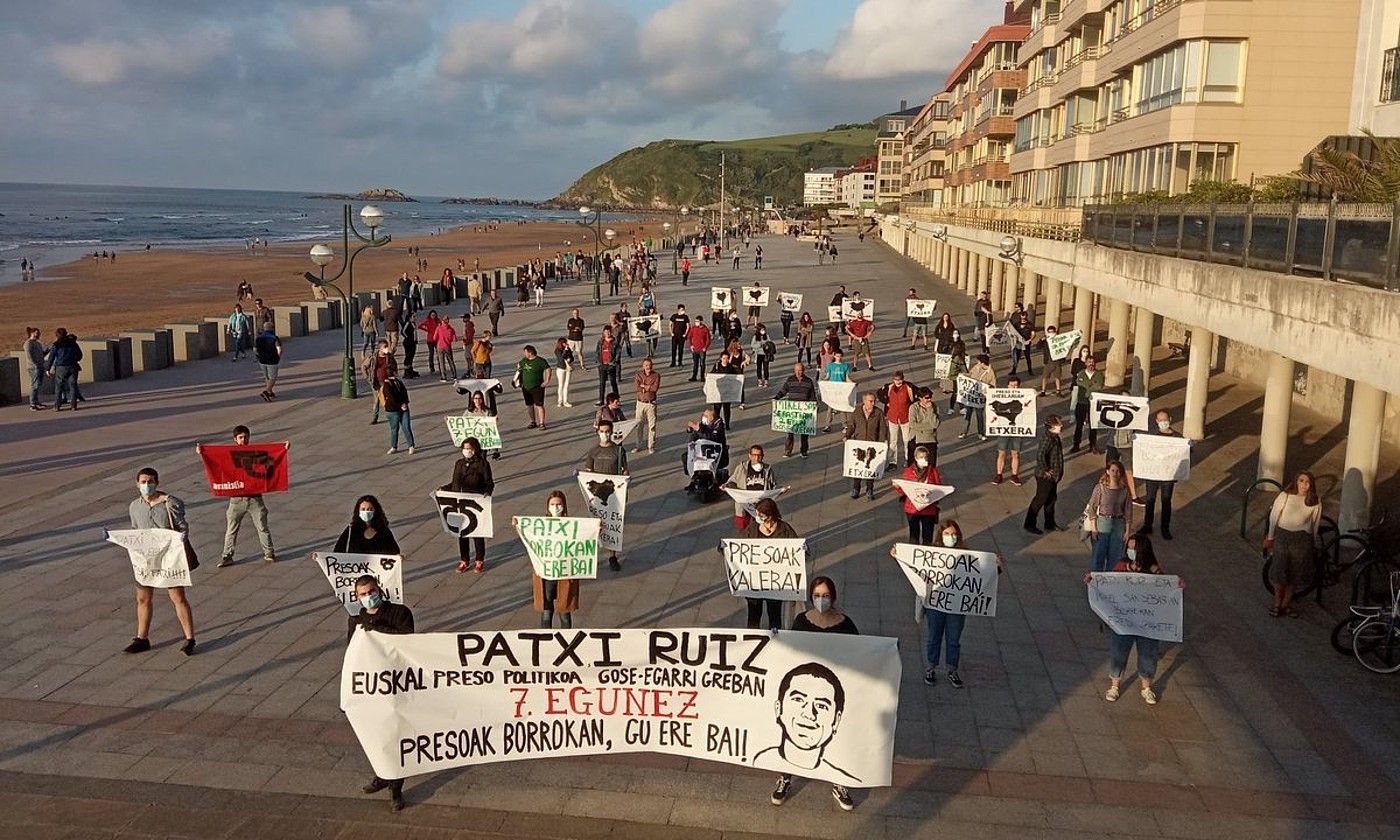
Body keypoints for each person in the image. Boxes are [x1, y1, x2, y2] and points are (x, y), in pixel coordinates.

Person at [766, 575, 859, 811]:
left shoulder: (846, 624)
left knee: (837, 740)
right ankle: (785, 778)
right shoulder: (801, 621)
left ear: (833, 597)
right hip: (805, 690)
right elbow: (792, 651)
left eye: (825, 596)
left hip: (832, 694)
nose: (821, 600)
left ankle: (840, 783)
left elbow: (863, 653)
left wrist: (887, 653)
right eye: (817, 596)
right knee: (790, 735)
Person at [902, 520, 1003, 689]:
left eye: (954, 534)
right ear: (941, 535)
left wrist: (996, 568)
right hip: (935, 606)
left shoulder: (967, 555)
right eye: (947, 534)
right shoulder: (933, 553)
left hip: (956, 607)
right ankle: (931, 667)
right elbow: (916, 570)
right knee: (934, 637)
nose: (951, 537)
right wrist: (900, 555)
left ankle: (952, 669)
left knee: (953, 639)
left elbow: (980, 576)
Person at [348, 573, 414, 811]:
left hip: (397, 685)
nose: (368, 598)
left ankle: (396, 789)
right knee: (376, 737)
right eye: (363, 595)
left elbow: (408, 643)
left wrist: (376, 631)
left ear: (380, 591)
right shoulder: (355, 620)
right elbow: (353, 653)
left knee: (395, 737)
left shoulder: (400, 613)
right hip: (371, 688)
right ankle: (381, 774)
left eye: (371, 592)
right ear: (357, 597)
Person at [1090, 534, 1173, 705]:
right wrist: (1093, 582)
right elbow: (1108, 584)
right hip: (1124, 623)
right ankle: (1114, 685)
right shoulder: (1121, 566)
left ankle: (1146, 687)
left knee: (1148, 655)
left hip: (1147, 624)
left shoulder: (1154, 570)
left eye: (1134, 548)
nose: (1130, 551)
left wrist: (1177, 587)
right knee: (1119, 652)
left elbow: (1166, 591)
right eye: (1129, 547)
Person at [123, 467, 197, 656]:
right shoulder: (134, 506)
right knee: (143, 598)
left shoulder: (169, 503)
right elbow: (135, 531)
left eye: (150, 481)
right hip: (146, 560)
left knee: (177, 597)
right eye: (143, 482)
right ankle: (142, 638)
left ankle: (190, 638)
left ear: (157, 483)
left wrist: (181, 536)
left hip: (169, 559)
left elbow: (182, 525)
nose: (146, 485)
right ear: (137, 483)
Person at [202, 426, 277, 567]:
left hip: (255, 498)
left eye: (246, 437)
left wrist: (284, 448)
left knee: (262, 527)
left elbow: (272, 457)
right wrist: (203, 452)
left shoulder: (255, 453)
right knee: (231, 529)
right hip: (236, 500)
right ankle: (227, 556)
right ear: (235, 439)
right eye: (241, 437)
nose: (244, 440)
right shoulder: (230, 454)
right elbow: (216, 460)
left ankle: (269, 552)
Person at [1265, 470, 1322, 617]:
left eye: (1307, 482)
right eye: (1301, 481)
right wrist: (1270, 537)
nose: (1304, 485)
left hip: (1302, 540)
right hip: (1283, 536)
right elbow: (1274, 516)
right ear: (1296, 481)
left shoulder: (1315, 501)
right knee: (1280, 570)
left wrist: (1313, 543)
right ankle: (1277, 603)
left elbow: (1315, 524)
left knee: (1295, 573)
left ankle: (1286, 604)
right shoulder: (1285, 496)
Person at [735, 498, 798, 631]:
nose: (757, 517)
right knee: (753, 615)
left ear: (771, 515)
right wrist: (726, 548)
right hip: (754, 584)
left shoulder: (785, 530)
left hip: (775, 584)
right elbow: (739, 548)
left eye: (761, 515)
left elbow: (796, 551)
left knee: (774, 615)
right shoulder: (752, 528)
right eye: (757, 514)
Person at [525, 491, 580, 627]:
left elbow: (584, 539)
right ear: (547, 506)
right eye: (552, 504)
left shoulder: (571, 525)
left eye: (559, 504)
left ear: (564, 506)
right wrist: (518, 525)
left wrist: (597, 529)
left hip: (564, 573)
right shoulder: (541, 525)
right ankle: (546, 641)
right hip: (547, 574)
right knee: (547, 611)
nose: (556, 508)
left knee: (564, 612)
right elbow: (528, 535)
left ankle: (566, 641)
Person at [581, 419, 628, 571]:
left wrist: (625, 479)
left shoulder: (619, 451)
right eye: (602, 431)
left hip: (612, 494)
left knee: (612, 527)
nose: (605, 434)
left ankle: (612, 556)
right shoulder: (593, 451)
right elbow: (589, 472)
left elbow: (624, 470)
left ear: (612, 432)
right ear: (597, 432)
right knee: (596, 526)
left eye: (607, 431)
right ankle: (592, 555)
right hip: (596, 495)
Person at [446, 436, 494, 573]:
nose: (467, 451)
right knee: (462, 533)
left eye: (469, 449)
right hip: (460, 504)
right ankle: (464, 559)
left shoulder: (482, 464)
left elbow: (489, 482)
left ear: (475, 449)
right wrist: (443, 489)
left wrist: (487, 492)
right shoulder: (459, 464)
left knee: (477, 532)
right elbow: (454, 482)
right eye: (465, 448)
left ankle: (479, 560)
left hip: (475, 502)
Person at [1139, 410, 1182, 539]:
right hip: (1153, 473)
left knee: (1166, 500)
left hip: (1168, 475)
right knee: (1150, 500)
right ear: (1157, 421)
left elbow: (1186, 452)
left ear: (1170, 419)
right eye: (1160, 420)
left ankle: (1165, 528)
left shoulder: (1178, 438)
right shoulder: (1152, 435)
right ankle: (1147, 525)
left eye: (1165, 420)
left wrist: (1189, 446)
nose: (1163, 423)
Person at [1084, 461, 1133, 572]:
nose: (1115, 473)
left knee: (1115, 555)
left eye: (1117, 471)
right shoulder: (1100, 488)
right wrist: (1094, 528)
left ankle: (1110, 580)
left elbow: (1128, 511)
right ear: (1107, 471)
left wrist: (1128, 530)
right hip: (1103, 522)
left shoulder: (1125, 490)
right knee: (1098, 554)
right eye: (1112, 470)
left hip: (1118, 523)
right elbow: (1092, 507)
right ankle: (1096, 580)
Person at [725, 445, 788, 530]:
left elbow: (773, 486)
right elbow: (731, 482)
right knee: (743, 530)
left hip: (761, 506)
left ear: (763, 456)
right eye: (754, 455)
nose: (757, 458)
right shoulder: (741, 468)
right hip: (744, 505)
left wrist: (781, 490)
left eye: (759, 455)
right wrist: (726, 487)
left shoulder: (767, 470)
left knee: (761, 530)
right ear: (749, 456)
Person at [894, 445, 943, 545]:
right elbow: (904, 491)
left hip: (928, 509)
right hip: (913, 509)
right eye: (921, 457)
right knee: (913, 536)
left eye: (925, 457)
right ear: (916, 458)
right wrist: (898, 487)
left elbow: (938, 487)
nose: (923, 459)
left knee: (928, 537)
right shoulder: (909, 472)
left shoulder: (933, 471)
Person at [1024, 415, 1065, 534]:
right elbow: (1040, 454)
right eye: (1058, 425)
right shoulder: (1048, 439)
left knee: (1051, 499)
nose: (1061, 426)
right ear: (1051, 427)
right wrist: (1046, 469)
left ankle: (1050, 523)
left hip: (1053, 476)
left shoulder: (1055, 437)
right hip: (1045, 476)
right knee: (1040, 498)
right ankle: (1029, 523)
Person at [844, 392, 888, 500]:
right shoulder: (857, 412)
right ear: (864, 401)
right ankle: (856, 489)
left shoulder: (878, 412)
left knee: (871, 468)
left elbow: (882, 428)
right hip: (859, 443)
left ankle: (869, 489)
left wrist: (883, 441)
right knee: (858, 466)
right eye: (870, 401)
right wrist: (847, 435)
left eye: (874, 401)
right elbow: (851, 425)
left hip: (872, 444)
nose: (873, 403)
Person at [774, 362, 817, 458]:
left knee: (804, 433)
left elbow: (812, 395)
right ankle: (788, 450)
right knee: (790, 432)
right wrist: (776, 398)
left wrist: (814, 405)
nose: (799, 372)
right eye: (797, 370)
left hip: (804, 410)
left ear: (804, 370)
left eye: (800, 370)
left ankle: (804, 451)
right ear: (794, 370)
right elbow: (783, 391)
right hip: (792, 410)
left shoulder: (808, 381)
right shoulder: (790, 380)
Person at [992, 374, 1028, 485]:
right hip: (1004, 429)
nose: (1014, 388)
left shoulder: (1023, 396)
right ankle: (999, 474)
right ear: (1007, 386)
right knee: (1001, 453)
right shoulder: (1002, 396)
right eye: (1012, 386)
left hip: (1017, 429)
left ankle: (1014, 475)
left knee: (1015, 453)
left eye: (1016, 386)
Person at [334, 495, 401, 554]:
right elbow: (338, 550)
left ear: (375, 511)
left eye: (370, 509)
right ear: (358, 511)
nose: (366, 512)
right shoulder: (351, 530)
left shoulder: (383, 531)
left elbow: (394, 551)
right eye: (363, 509)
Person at [878, 371, 916, 468]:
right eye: (896, 380)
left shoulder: (909, 387)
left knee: (907, 440)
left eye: (900, 379)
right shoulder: (889, 387)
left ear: (903, 379)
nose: (898, 382)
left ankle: (908, 459)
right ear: (893, 379)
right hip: (893, 417)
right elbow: (879, 393)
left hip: (905, 418)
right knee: (893, 441)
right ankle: (892, 462)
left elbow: (917, 395)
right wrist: (886, 402)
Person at [1070, 355, 1104, 453]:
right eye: (1089, 362)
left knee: (1093, 425)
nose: (1091, 364)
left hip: (1093, 403)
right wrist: (1091, 386)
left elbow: (1099, 386)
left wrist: (1088, 390)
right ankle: (1076, 444)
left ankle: (1092, 444)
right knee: (1079, 424)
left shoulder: (1098, 374)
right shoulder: (1081, 374)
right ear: (1085, 363)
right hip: (1081, 402)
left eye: (1092, 362)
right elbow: (1080, 383)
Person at [960, 354, 996, 441]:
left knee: (979, 416)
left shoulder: (991, 373)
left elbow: (993, 385)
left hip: (980, 398)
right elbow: (970, 375)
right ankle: (964, 432)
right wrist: (963, 375)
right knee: (968, 414)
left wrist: (986, 390)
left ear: (983, 363)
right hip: (971, 396)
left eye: (978, 362)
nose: (977, 363)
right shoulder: (976, 367)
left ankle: (981, 433)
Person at [516, 344, 552, 431]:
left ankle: (542, 423)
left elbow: (548, 369)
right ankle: (533, 421)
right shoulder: (524, 361)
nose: (524, 354)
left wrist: (546, 381)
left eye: (525, 352)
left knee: (539, 405)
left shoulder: (540, 361)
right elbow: (519, 366)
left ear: (530, 352)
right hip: (526, 387)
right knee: (529, 405)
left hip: (537, 387)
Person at [46, 327, 83, 411]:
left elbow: (51, 357)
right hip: (73, 366)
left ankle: (57, 405)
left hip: (61, 367)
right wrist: (74, 359)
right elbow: (80, 355)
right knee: (73, 385)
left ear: (57, 335)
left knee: (59, 386)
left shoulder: (56, 344)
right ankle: (73, 405)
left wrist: (48, 368)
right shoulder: (73, 343)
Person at [380, 373, 416, 455]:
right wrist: (401, 405)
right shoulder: (387, 385)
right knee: (394, 429)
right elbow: (391, 398)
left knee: (406, 427)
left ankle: (411, 445)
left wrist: (405, 403)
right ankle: (394, 446)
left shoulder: (399, 382)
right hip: (393, 410)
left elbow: (405, 392)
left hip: (403, 408)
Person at [821, 347, 853, 433]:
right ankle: (827, 425)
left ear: (842, 356)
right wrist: (822, 382)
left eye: (840, 356)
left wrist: (853, 384)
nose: (839, 357)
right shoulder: (830, 366)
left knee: (842, 407)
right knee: (830, 408)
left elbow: (847, 378)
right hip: (833, 390)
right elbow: (828, 376)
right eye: (837, 356)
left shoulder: (845, 366)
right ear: (834, 356)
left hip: (841, 389)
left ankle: (845, 425)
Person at [907, 387, 940, 468]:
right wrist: (929, 427)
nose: (929, 400)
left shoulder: (934, 407)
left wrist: (930, 409)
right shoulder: (914, 407)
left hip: (930, 439)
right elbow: (912, 424)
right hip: (916, 439)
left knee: (931, 465)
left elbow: (935, 424)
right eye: (926, 398)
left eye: (930, 397)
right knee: (915, 465)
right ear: (920, 398)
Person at [633, 356, 660, 454]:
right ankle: (638, 445)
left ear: (652, 365)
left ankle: (651, 446)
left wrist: (644, 386)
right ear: (643, 366)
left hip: (651, 403)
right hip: (640, 402)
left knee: (652, 425)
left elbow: (655, 388)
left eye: (649, 365)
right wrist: (648, 387)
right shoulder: (638, 375)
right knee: (639, 425)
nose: (648, 367)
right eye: (646, 365)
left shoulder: (656, 375)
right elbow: (637, 387)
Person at [709, 351, 742, 429]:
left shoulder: (731, 367)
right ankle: (717, 424)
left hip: (727, 392)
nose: (725, 360)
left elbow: (736, 376)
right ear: (721, 359)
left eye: (727, 358)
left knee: (726, 409)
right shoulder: (717, 366)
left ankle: (727, 424)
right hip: (718, 392)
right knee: (717, 409)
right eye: (724, 358)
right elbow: (712, 375)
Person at [253, 321, 282, 402]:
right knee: (273, 377)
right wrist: (278, 357)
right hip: (272, 360)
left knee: (267, 377)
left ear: (264, 328)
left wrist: (258, 357)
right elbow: (279, 349)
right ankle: (266, 391)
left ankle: (270, 391)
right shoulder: (274, 338)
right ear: (272, 328)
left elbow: (255, 350)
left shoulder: (258, 338)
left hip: (262, 360)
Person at [595, 325, 623, 407]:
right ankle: (601, 400)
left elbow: (618, 352)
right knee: (602, 383)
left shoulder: (615, 342)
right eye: (606, 332)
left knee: (613, 382)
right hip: (602, 365)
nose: (607, 333)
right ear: (603, 332)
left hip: (611, 365)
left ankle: (616, 400)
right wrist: (598, 361)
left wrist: (614, 362)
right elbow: (597, 351)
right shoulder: (600, 342)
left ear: (611, 332)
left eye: (609, 332)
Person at [23, 327, 48, 410]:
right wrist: (35, 364)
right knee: (35, 385)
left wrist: (47, 351)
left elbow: (41, 354)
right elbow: (29, 356)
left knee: (38, 385)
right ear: (32, 333)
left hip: (40, 366)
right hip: (33, 368)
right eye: (37, 333)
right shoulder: (28, 343)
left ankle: (36, 401)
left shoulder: (38, 343)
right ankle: (32, 404)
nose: (38, 335)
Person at [1038, 325, 1065, 396]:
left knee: (1057, 376)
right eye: (1049, 332)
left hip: (1057, 361)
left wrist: (1062, 359)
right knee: (1045, 376)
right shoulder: (1045, 341)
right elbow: (1038, 347)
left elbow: (1064, 349)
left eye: (1052, 332)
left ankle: (1058, 391)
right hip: (1048, 360)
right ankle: (1043, 390)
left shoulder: (1059, 340)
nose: (1051, 334)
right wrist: (1042, 340)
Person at [1009, 311, 1035, 376]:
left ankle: (1030, 370)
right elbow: (1013, 332)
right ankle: (1013, 370)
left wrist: (1030, 340)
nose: (1023, 318)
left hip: (1026, 342)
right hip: (1018, 342)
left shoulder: (1030, 324)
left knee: (1027, 357)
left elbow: (1033, 333)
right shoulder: (1017, 324)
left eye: (1024, 316)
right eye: (1022, 316)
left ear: (1026, 316)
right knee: (1016, 357)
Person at [686, 315, 712, 382]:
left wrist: (705, 347)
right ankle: (694, 376)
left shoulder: (705, 329)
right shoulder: (693, 328)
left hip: (702, 350)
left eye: (697, 321)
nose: (696, 322)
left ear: (701, 321)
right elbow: (689, 337)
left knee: (702, 364)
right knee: (695, 364)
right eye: (695, 321)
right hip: (695, 349)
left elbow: (708, 340)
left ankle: (702, 377)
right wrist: (691, 345)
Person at [433, 316, 459, 382]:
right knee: (451, 361)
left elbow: (434, 338)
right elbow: (455, 339)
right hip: (447, 346)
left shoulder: (438, 328)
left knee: (442, 362)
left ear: (442, 321)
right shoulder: (451, 329)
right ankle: (454, 375)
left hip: (440, 346)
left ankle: (444, 377)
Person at [552, 337, 575, 408]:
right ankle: (560, 400)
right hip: (561, 368)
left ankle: (565, 401)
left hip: (568, 368)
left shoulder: (568, 349)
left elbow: (572, 358)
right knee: (561, 385)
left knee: (566, 385)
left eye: (566, 342)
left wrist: (569, 358)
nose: (566, 344)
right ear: (561, 343)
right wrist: (565, 350)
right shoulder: (557, 350)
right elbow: (561, 358)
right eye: (564, 343)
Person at [417, 310, 442, 375]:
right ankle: (431, 367)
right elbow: (420, 326)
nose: (433, 316)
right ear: (430, 315)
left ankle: (440, 366)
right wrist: (427, 330)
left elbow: (441, 327)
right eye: (432, 315)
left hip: (437, 339)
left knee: (439, 353)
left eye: (434, 315)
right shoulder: (428, 321)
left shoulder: (438, 321)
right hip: (430, 340)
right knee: (431, 353)